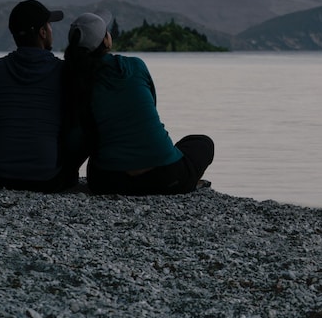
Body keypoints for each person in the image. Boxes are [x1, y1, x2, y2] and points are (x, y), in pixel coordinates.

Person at [63, 11, 214, 195]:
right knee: (202, 143)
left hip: (110, 183)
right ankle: (190, 181)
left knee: (97, 153)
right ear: (106, 41)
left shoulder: (73, 80)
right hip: (167, 179)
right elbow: (151, 103)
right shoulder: (134, 66)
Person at [0, 0, 85, 192]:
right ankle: (69, 179)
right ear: (43, 33)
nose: (51, 29)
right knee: (83, 130)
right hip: (49, 180)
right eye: (49, 25)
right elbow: (71, 121)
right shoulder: (64, 71)